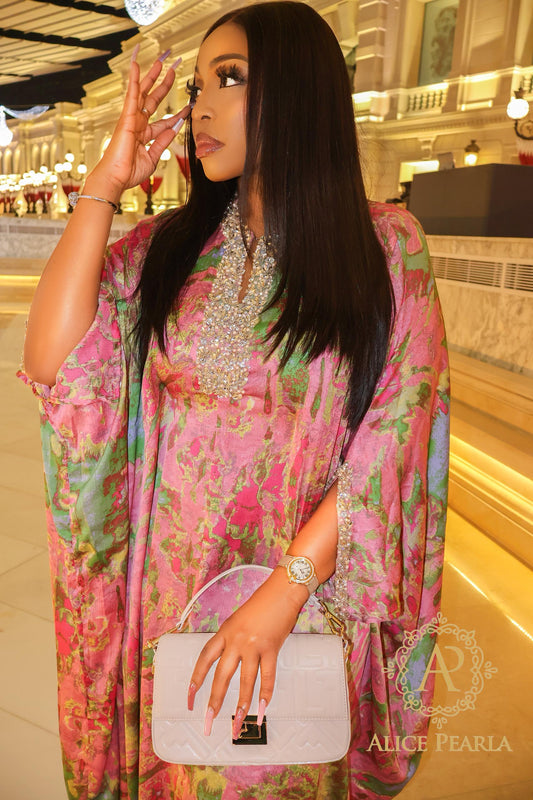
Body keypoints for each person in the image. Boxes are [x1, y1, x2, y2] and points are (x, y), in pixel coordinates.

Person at [20, 3, 449, 799]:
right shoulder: (166, 250)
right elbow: (52, 365)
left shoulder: (384, 247)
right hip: (170, 583)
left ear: (298, 91)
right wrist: (102, 187)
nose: (200, 107)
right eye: (196, 87)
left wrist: (281, 595)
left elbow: (393, 439)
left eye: (229, 78)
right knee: (181, 763)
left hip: (303, 589)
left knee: (269, 769)